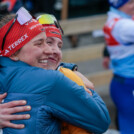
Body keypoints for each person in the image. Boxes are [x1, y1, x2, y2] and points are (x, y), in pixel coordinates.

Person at [0, 7, 110, 134]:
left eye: (59, 46)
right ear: (13, 52)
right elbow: (101, 120)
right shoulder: (51, 80)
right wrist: (71, 76)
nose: (50, 50)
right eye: (40, 43)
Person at [37, 14, 94, 134]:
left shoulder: (67, 77)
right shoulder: (11, 76)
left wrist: (67, 71)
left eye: (60, 46)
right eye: (49, 42)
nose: (56, 50)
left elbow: (90, 87)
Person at [103, 0, 134, 133]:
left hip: (121, 83)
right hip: (128, 85)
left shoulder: (113, 19)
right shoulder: (124, 25)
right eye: (130, 3)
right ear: (118, 5)